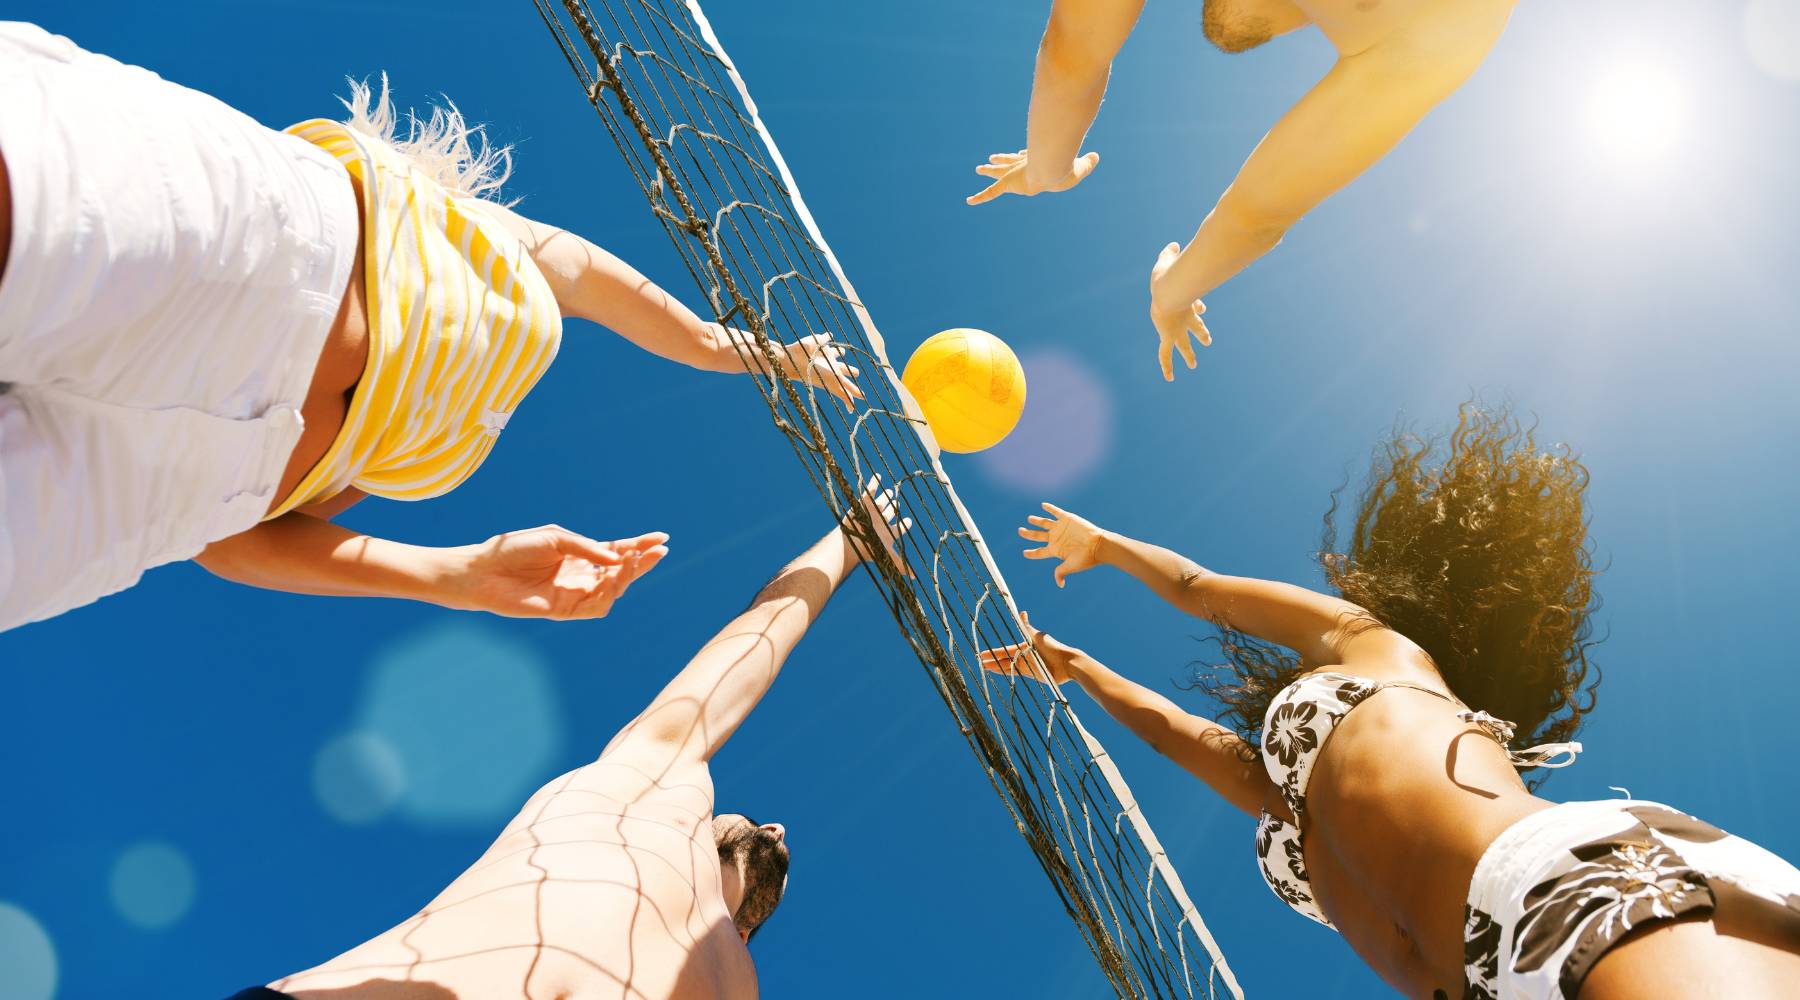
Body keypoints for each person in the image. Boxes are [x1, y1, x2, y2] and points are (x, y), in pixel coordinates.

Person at [0, 22, 861, 631]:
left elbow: (232, 544)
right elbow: (630, 298)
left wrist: (459, 576)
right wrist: (757, 352)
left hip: (178, 497)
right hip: (273, 249)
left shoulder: (420, 440)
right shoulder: (474, 231)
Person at [979, 405, 1800, 998]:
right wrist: (1080, 667)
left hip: (1555, 880)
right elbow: (1169, 734)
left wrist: (1108, 547)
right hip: (1493, 979)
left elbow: (1201, 590)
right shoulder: (1280, 797)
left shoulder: (1377, 645)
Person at [224, 483, 907, 1000]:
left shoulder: (740, 983)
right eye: (759, 820)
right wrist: (851, 542)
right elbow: (760, 634)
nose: (777, 829)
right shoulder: (656, 785)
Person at [966, 0, 1519, 381]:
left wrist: (1047, 168)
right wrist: (1168, 297)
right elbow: (1253, 216)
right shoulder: (1451, 27)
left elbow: (1074, 52)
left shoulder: (1450, 27)